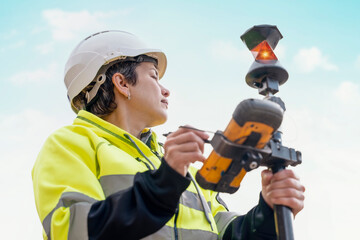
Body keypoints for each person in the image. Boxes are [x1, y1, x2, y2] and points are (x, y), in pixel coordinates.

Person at [32, 30, 305, 240]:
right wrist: (164, 183)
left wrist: (267, 214)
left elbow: (226, 232)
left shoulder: (172, 161)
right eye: (154, 76)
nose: (166, 90)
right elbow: (76, 231)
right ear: (122, 82)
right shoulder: (69, 144)